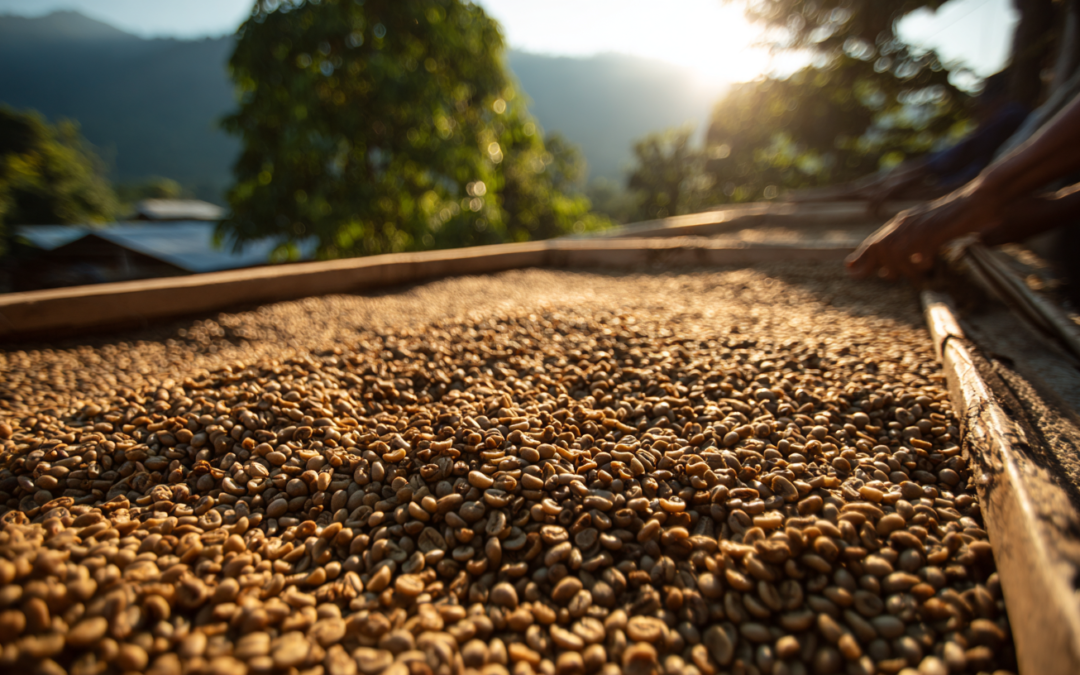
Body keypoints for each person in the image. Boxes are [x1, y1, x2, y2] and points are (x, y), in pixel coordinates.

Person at [846, 88, 1080, 283]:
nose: (979, 115)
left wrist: (980, 199)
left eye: (982, 108)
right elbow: (954, 159)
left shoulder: (1011, 117)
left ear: (996, 101)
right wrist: (1058, 207)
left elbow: (962, 156)